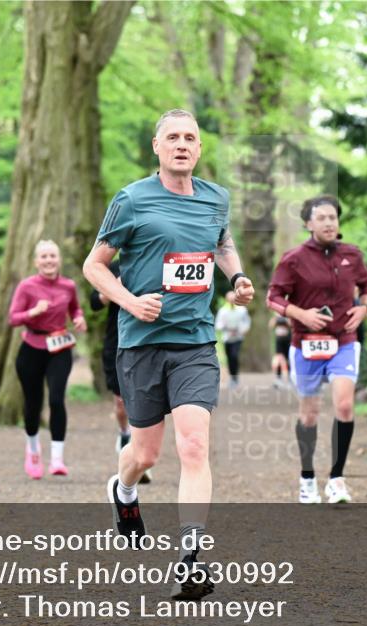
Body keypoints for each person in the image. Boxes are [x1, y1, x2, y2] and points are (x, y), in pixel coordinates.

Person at [83, 109, 254, 600]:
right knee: (145, 454)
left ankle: (190, 558)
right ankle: (123, 491)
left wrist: (237, 277)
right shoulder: (132, 199)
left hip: (195, 342)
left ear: (199, 148)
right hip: (141, 344)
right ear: (156, 146)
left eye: (190, 138)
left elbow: (221, 243)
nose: (182, 144)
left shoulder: (215, 198)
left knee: (194, 446)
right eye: (173, 137)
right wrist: (130, 301)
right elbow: (94, 266)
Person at [267, 195, 367, 504]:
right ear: (308, 224)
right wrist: (301, 315)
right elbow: (273, 298)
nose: (329, 223)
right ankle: (307, 478)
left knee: (344, 406)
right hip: (306, 345)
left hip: (343, 341)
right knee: (309, 414)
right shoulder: (294, 259)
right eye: (322, 218)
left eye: (333, 217)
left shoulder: (352, 255)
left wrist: (364, 308)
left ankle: (337, 479)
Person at [8, 239, 88, 480]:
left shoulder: (68, 286)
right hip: (31, 348)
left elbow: (75, 309)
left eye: (52, 256)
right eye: (44, 256)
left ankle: (57, 458)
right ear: (36, 262)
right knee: (33, 403)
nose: (49, 260)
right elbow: (13, 318)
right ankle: (33, 451)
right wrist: (33, 311)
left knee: (56, 399)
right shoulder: (27, 286)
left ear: (59, 260)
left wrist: (79, 318)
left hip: (59, 348)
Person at [88, 260, 151, 483]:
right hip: (117, 340)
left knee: (142, 401)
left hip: (148, 340)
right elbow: (94, 303)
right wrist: (114, 287)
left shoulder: (155, 262)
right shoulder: (113, 266)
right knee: (121, 403)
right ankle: (124, 434)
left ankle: (139, 455)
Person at [215, 290, 251, 387]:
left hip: (238, 337)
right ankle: (232, 377)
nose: (231, 301)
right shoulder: (222, 311)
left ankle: (235, 378)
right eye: (229, 299)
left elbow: (247, 322)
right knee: (230, 358)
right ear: (227, 300)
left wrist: (243, 330)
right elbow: (218, 325)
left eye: (233, 299)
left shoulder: (242, 310)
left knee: (234, 356)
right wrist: (225, 327)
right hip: (227, 338)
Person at [269, 313, 291, 389]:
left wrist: (284, 321)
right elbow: (271, 325)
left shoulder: (289, 313)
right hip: (279, 339)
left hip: (288, 339)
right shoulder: (276, 314)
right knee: (279, 359)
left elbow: (291, 324)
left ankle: (290, 380)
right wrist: (278, 320)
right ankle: (278, 379)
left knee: (288, 359)